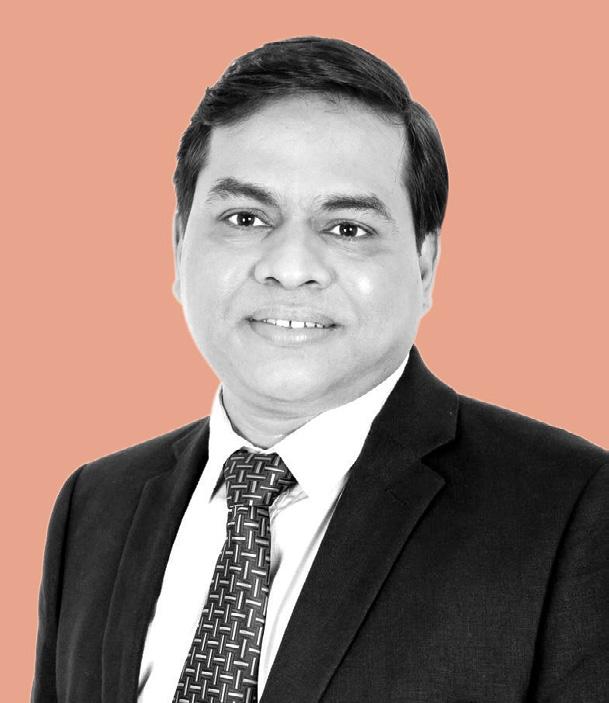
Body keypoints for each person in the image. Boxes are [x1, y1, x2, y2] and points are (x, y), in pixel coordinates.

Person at [32, 37, 608, 703]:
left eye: (347, 228)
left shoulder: (572, 512)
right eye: (245, 217)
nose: (290, 267)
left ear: (424, 265)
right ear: (179, 244)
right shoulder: (94, 504)